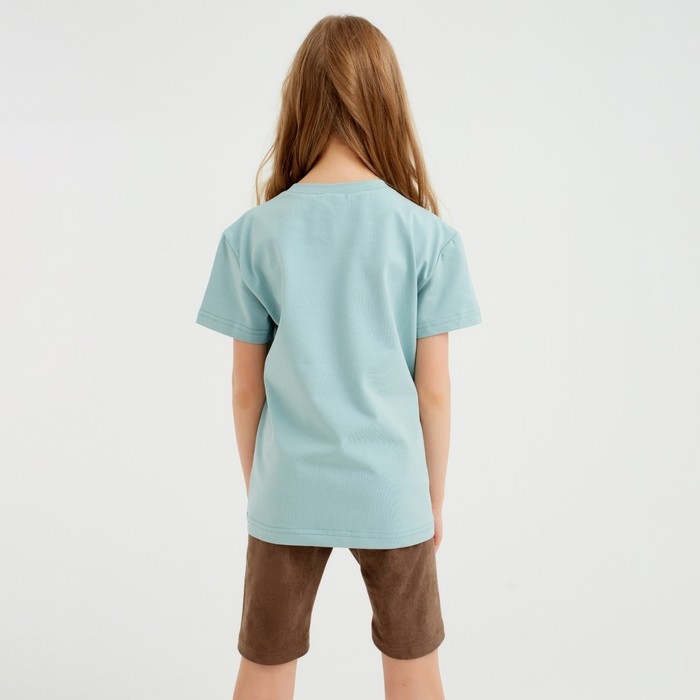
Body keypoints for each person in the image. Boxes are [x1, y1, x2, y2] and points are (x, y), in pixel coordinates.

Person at [195, 14, 482, 700]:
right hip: (392, 487)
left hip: (288, 485)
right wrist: (432, 498)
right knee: (414, 671)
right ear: (386, 101)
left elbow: (245, 390)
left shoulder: (252, 236)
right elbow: (434, 392)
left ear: (299, 102)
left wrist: (263, 487)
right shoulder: (428, 237)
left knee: (265, 668)